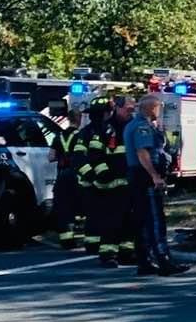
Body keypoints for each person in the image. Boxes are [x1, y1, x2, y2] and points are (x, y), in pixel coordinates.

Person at [125, 94, 189, 277]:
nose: (160, 110)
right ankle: (164, 261)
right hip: (145, 177)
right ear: (151, 108)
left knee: (143, 220)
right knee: (154, 220)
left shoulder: (135, 125)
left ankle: (145, 262)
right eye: (158, 107)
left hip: (139, 177)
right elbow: (142, 153)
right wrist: (154, 176)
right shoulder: (142, 127)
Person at [95, 95, 136, 268]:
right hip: (110, 184)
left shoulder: (133, 126)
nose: (131, 112)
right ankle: (108, 254)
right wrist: (104, 173)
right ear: (118, 108)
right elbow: (95, 154)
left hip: (130, 181)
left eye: (132, 109)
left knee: (129, 219)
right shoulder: (106, 128)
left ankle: (126, 252)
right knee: (111, 221)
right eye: (128, 109)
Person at [71, 97, 113, 255]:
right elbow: (79, 159)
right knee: (100, 215)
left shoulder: (86, 132)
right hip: (95, 183)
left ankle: (94, 245)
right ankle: (96, 245)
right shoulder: (98, 132)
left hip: (94, 183)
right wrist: (94, 176)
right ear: (106, 113)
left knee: (95, 215)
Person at [49, 109, 81, 249]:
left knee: (64, 207)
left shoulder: (58, 136)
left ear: (68, 119)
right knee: (79, 205)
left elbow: (50, 157)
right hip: (77, 175)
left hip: (62, 175)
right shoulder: (80, 135)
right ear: (79, 118)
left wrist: (62, 157)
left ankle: (66, 239)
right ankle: (82, 236)